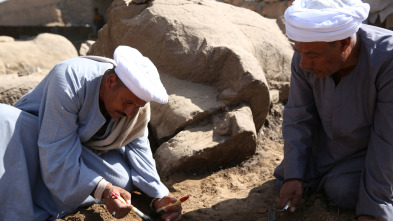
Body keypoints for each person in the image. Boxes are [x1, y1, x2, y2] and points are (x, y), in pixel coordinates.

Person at [0, 45, 182, 221]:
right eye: (127, 103)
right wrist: (103, 188)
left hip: (78, 153)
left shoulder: (137, 103)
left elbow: (139, 150)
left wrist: (158, 195)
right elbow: (56, 149)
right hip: (33, 139)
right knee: (4, 118)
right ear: (110, 82)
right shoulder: (70, 77)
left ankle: (73, 184)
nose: (129, 112)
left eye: (137, 106)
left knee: (121, 177)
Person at [273, 0, 393, 220]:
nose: (303, 65)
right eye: (300, 53)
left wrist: (374, 209)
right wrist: (294, 175)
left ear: (344, 43)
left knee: (343, 191)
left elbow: (387, 139)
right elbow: (298, 117)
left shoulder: (387, 59)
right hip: (327, 148)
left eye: (312, 56)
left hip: (371, 152)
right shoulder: (305, 53)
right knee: (288, 177)